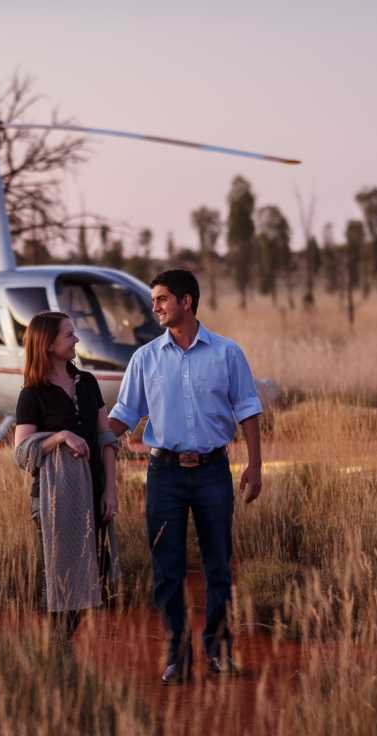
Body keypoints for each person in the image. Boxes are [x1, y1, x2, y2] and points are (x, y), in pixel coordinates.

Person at [108, 269, 263, 684]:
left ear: (186, 301)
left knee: (218, 567)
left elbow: (248, 409)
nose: (155, 307)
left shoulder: (227, 353)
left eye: (162, 299)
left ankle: (218, 651)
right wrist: (87, 435)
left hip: (214, 472)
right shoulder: (145, 359)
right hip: (165, 475)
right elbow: (124, 415)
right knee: (167, 569)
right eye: (154, 300)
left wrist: (255, 465)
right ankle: (177, 656)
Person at [12, 312, 120, 641]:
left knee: (96, 578)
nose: (76, 339)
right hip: (54, 500)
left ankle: (62, 648)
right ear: (48, 344)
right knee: (60, 581)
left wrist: (110, 490)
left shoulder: (87, 382)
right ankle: (56, 652)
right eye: (69, 335)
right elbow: (22, 452)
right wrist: (60, 437)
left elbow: (106, 438)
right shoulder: (32, 393)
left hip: (95, 493)